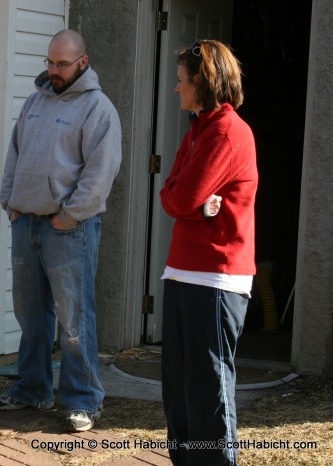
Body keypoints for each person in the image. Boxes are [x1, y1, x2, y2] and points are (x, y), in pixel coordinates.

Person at [0, 29, 122, 433]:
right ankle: (33, 389)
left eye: (62, 64)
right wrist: (10, 202)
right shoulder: (34, 101)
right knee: (31, 315)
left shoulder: (98, 108)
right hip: (26, 222)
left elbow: (101, 172)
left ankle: (83, 401)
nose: (53, 70)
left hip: (70, 230)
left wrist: (69, 216)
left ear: (83, 62)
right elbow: (14, 153)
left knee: (73, 318)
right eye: (49, 62)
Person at [160, 39, 257, 466]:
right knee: (179, 390)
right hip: (182, 272)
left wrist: (189, 202)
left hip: (216, 277)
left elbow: (181, 199)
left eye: (182, 81)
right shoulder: (197, 129)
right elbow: (169, 195)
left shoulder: (227, 131)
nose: (176, 89)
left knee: (209, 391)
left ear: (203, 81)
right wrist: (191, 203)